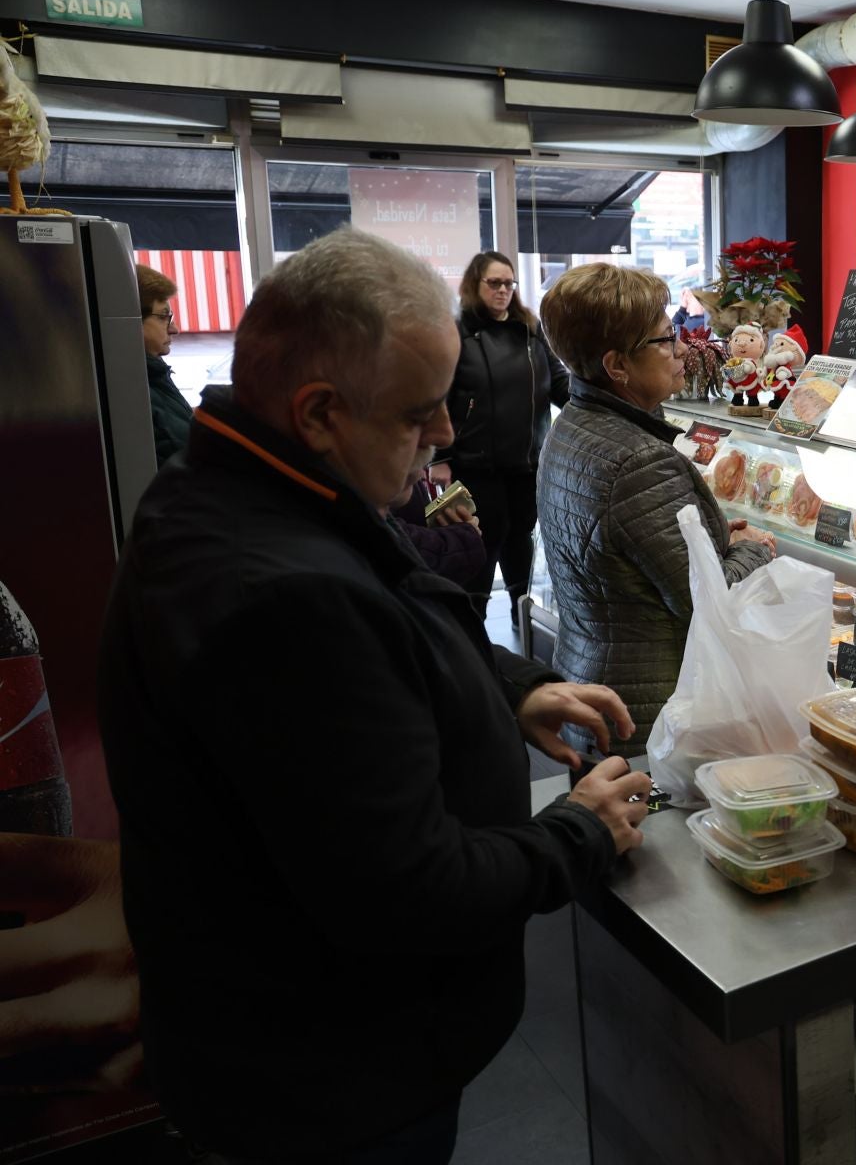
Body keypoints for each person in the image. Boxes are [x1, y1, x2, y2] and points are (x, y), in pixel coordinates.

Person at [95, 228, 654, 1164]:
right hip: (329, 1080)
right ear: (319, 411)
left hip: (300, 1046)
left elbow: (401, 609)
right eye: (418, 413)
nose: (442, 435)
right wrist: (579, 834)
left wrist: (505, 688)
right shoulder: (280, 596)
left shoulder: (251, 482)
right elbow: (409, 893)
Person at [536, 263, 778, 758]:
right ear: (617, 366)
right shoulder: (638, 459)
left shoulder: (573, 424)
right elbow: (704, 602)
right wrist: (750, 553)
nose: (684, 348)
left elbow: (623, 559)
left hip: (595, 686)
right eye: (665, 339)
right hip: (648, 719)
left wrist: (713, 540)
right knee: (654, 830)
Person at [445, 251, 571, 614]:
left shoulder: (530, 329)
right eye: (494, 283)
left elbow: (558, 381)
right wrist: (440, 458)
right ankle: (472, 622)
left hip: (527, 459)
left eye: (508, 283)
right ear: (475, 284)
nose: (503, 290)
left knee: (521, 538)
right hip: (474, 462)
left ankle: (524, 618)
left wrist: (591, 404)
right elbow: (438, 394)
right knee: (481, 542)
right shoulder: (458, 331)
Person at [136, 263, 191, 463]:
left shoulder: (153, 375)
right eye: (163, 317)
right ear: (131, 320)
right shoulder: (135, 391)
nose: (174, 328)